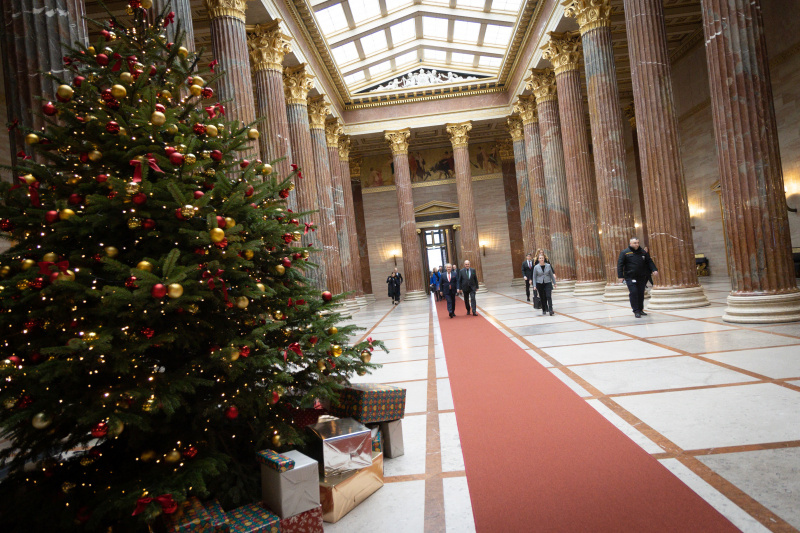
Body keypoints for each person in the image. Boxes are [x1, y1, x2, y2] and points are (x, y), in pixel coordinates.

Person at [617, 237, 658, 318]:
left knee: (640, 293)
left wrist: (654, 269)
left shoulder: (642, 252)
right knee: (634, 292)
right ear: (630, 244)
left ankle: (641, 309)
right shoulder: (625, 252)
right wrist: (620, 276)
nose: (637, 244)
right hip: (630, 276)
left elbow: (649, 261)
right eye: (635, 243)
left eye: (638, 242)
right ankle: (636, 310)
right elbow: (620, 265)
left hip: (641, 276)